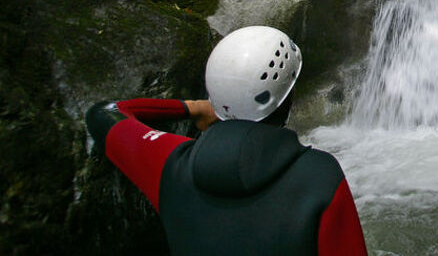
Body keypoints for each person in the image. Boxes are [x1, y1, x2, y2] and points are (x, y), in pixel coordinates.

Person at [85, 26, 368, 256]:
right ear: (289, 97)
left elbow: (105, 114)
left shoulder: (169, 163)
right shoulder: (319, 176)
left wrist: (192, 107)